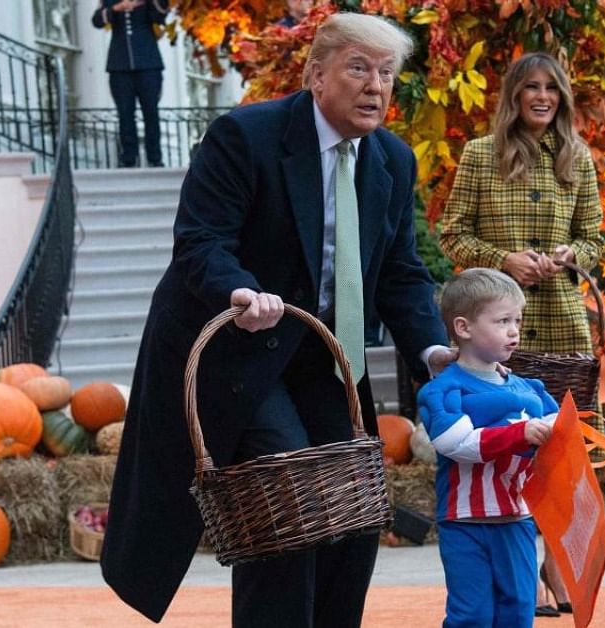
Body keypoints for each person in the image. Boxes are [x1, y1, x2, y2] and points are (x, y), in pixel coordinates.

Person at [100, 13, 452, 626]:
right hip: (235, 347)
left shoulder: (392, 160)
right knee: (288, 492)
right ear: (317, 74)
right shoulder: (246, 136)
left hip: (320, 355)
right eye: (359, 68)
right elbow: (201, 241)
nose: (376, 86)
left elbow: (400, 272)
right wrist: (238, 290)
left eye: (388, 74)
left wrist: (433, 353)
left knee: (354, 503)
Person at [438, 51, 603, 616]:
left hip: (559, 319)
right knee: (506, 443)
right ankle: (521, 572)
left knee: (558, 453)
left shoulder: (576, 158)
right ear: (513, 94)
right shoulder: (481, 155)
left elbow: (596, 240)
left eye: (551, 88)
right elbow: (452, 232)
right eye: (530, 87)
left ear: (561, 97)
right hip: (493, 326)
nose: (541, 97)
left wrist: (568, 255)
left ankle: (554, 569)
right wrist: (501, 260)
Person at [417, 268, 558, 628]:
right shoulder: (443, 390)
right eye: (502, 320)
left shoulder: (532, 390)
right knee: (472, 616)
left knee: (518, 610)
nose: (514, 330)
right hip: (465, 523)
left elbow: (560, 433)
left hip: (516, 518)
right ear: (463, 328)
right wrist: (521, 434)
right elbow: (457, 444)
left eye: (517, 320)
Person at [91, 0, 170, 168]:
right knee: (125, 113)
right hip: (119, 64)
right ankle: (128, 157)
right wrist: (116, 8)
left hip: (148, 63)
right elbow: (97, 21)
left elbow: (161, 15)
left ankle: (155, 157)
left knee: (151, 111)